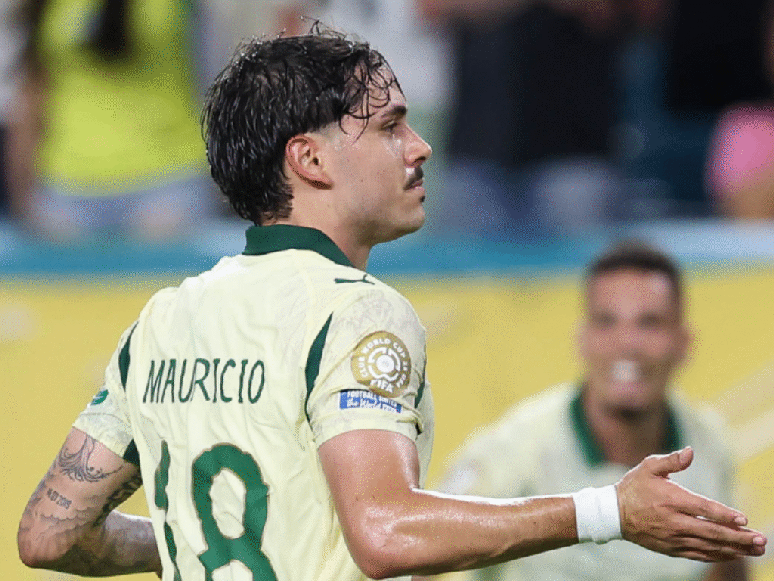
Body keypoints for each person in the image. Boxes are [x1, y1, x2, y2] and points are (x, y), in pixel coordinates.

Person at [17, 28, 766, 581]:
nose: (420, 146)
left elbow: (49, 534)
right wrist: (607, 512)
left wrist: (201, 541)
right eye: (389, 126)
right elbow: (384, 531)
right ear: (310, 159)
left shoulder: (164, 319)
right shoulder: (357, 312)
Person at [428, 241, 748, 581]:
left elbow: (726, 561)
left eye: (649, 323)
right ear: (582, 338)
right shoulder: (515, 447)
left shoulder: (708, 441)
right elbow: (424, 542)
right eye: (607, 322)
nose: (627, 343)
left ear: (683, 342)